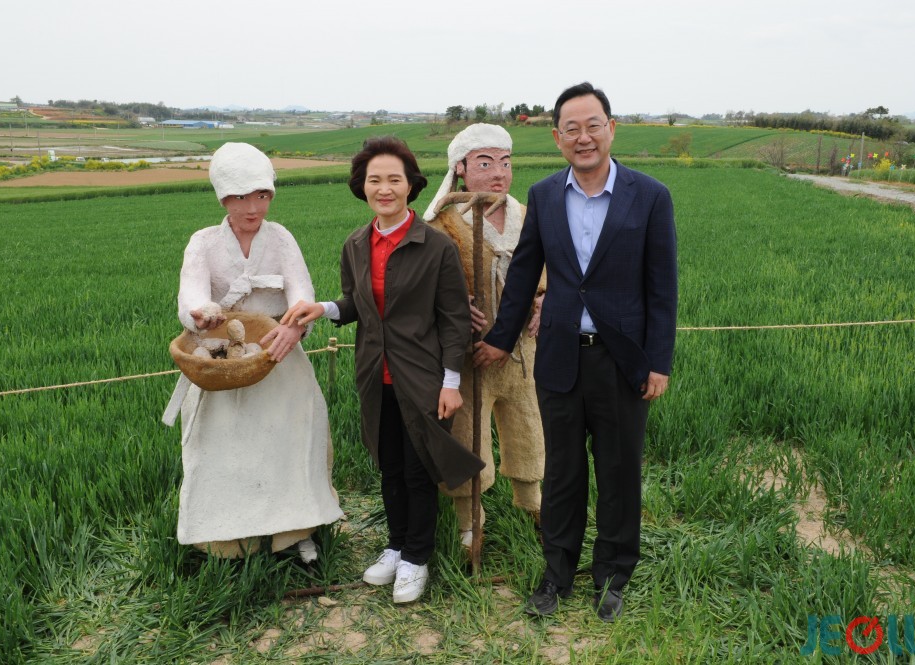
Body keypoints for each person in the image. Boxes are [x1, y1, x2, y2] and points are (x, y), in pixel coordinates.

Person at [474, 83, 678, 622]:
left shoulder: (650, 195)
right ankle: (557, 573)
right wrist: (499, 339)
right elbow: (523, 275)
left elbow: (662, 287)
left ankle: (613, 575)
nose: (583, 137)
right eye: (572, 128)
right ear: (557, 137)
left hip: (623, 361)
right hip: (560, 357)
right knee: (562, 473)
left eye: (593, 125)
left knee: (618, 471)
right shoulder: (544, 196)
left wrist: (658, 362)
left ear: (611, 128)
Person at [283, 136, 483, 604]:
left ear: (411, 185)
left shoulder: (435, 247)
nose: (385, 188)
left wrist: (451, 382)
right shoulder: (356, 244)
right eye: (375, 180)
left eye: (395, 179)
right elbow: (357, 303)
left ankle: (417, 557)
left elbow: (454, 320)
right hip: (376, 376)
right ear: (363, 186)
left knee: (419, 470)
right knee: (389, 467)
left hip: (425, 380)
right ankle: (396, 546)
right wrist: (324, 308)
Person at [164, 142, 343, 561]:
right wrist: (201, 314)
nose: (253, 207)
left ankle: (295, 532)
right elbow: (190, 293)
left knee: (291, 441)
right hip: (221, 362)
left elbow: (301, 289)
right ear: (223, 199)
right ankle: (227, 541)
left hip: (278, 353)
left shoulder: (280, 238)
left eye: (262, 195)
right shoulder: (204, 243)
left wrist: (296, 325)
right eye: (241, 197)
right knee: (223, 449)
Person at [423, 123, 546, 549]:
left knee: (527, 423)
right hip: (469, 353)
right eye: (485, 163)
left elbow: (549, 266)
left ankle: (531, 501)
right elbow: (427, 281)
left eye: (506, 163)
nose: (499, 173)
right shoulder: (442, 222)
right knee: (468, 432)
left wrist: (544, 299)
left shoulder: (526, 214)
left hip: (522, 351)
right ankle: (469, 517)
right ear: (460, 167)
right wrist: (453, 307)